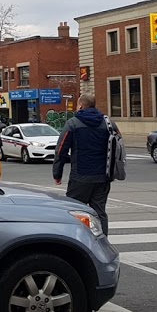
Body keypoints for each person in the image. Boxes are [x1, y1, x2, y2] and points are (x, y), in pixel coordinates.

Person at [52, 93, 119, 235]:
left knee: (74, 211)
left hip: (80, 177)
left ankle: (76, 242)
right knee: (99, 213)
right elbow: (118, 146)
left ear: (81, 105)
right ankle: (102, 243)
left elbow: (61, 150)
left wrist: (57, 174)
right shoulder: (108, 123)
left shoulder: (73, 123)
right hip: (103, 177)